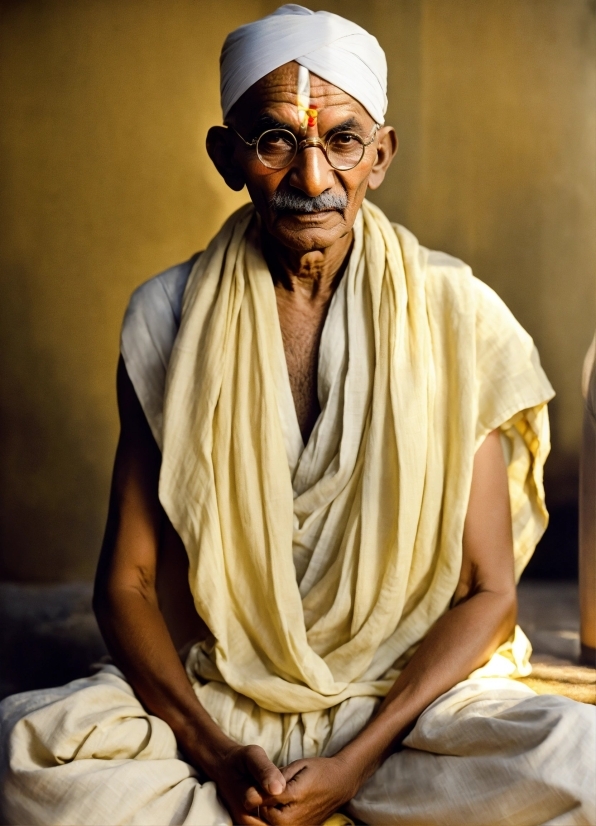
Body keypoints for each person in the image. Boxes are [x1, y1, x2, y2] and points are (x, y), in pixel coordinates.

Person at [1, 6, 594, 825]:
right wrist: (211, 751)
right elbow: (127, 585)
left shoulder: (457, 312)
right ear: (227, 156)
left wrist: (356, 760)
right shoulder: (166, 316)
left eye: (341, 141)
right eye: (275, 139)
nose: (312, 178)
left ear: (379, 156)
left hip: (402, 703)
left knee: (579, 761)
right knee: (23, 763)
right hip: (221, 697)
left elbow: (490, 592)